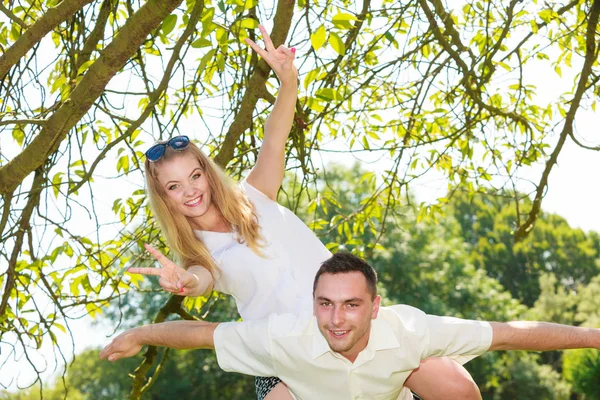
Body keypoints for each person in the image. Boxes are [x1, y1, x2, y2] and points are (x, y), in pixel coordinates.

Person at [134, 24, 481, 400]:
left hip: (351, 329)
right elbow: (200, 279)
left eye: (194, 176)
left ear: (207, 173)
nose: (189, 191)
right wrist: (186, 283)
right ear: (164, 198)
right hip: (285, 357)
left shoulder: (256, 196)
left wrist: (288, 81)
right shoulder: (199, 254)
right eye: (174, 186)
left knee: (457, 387)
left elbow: (275, 135)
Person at [101, 252, 600, 399]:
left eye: (351, 305)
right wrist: (139, 334)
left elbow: (513, 331)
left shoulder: (409, 330)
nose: (336, 319)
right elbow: (202, 337)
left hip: (392, 390)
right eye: (325, 304)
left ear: (376, 306)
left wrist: (595, 337)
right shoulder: (285, 337)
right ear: (313, 304)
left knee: (459, 389)